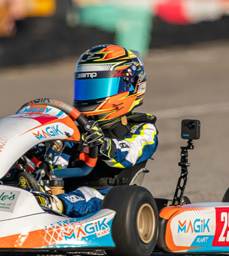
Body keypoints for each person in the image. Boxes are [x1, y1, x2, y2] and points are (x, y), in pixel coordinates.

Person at [21, 44, 158, 217]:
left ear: (131, 86)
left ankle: (51, 204)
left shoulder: (144, 128)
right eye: (86, 87)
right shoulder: (76, 126)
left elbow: (129, 153)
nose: (90, 95)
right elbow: (58, 162)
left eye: (98, 87)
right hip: (63, 187)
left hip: (109, 199)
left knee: (87, 195)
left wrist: (103, 145)